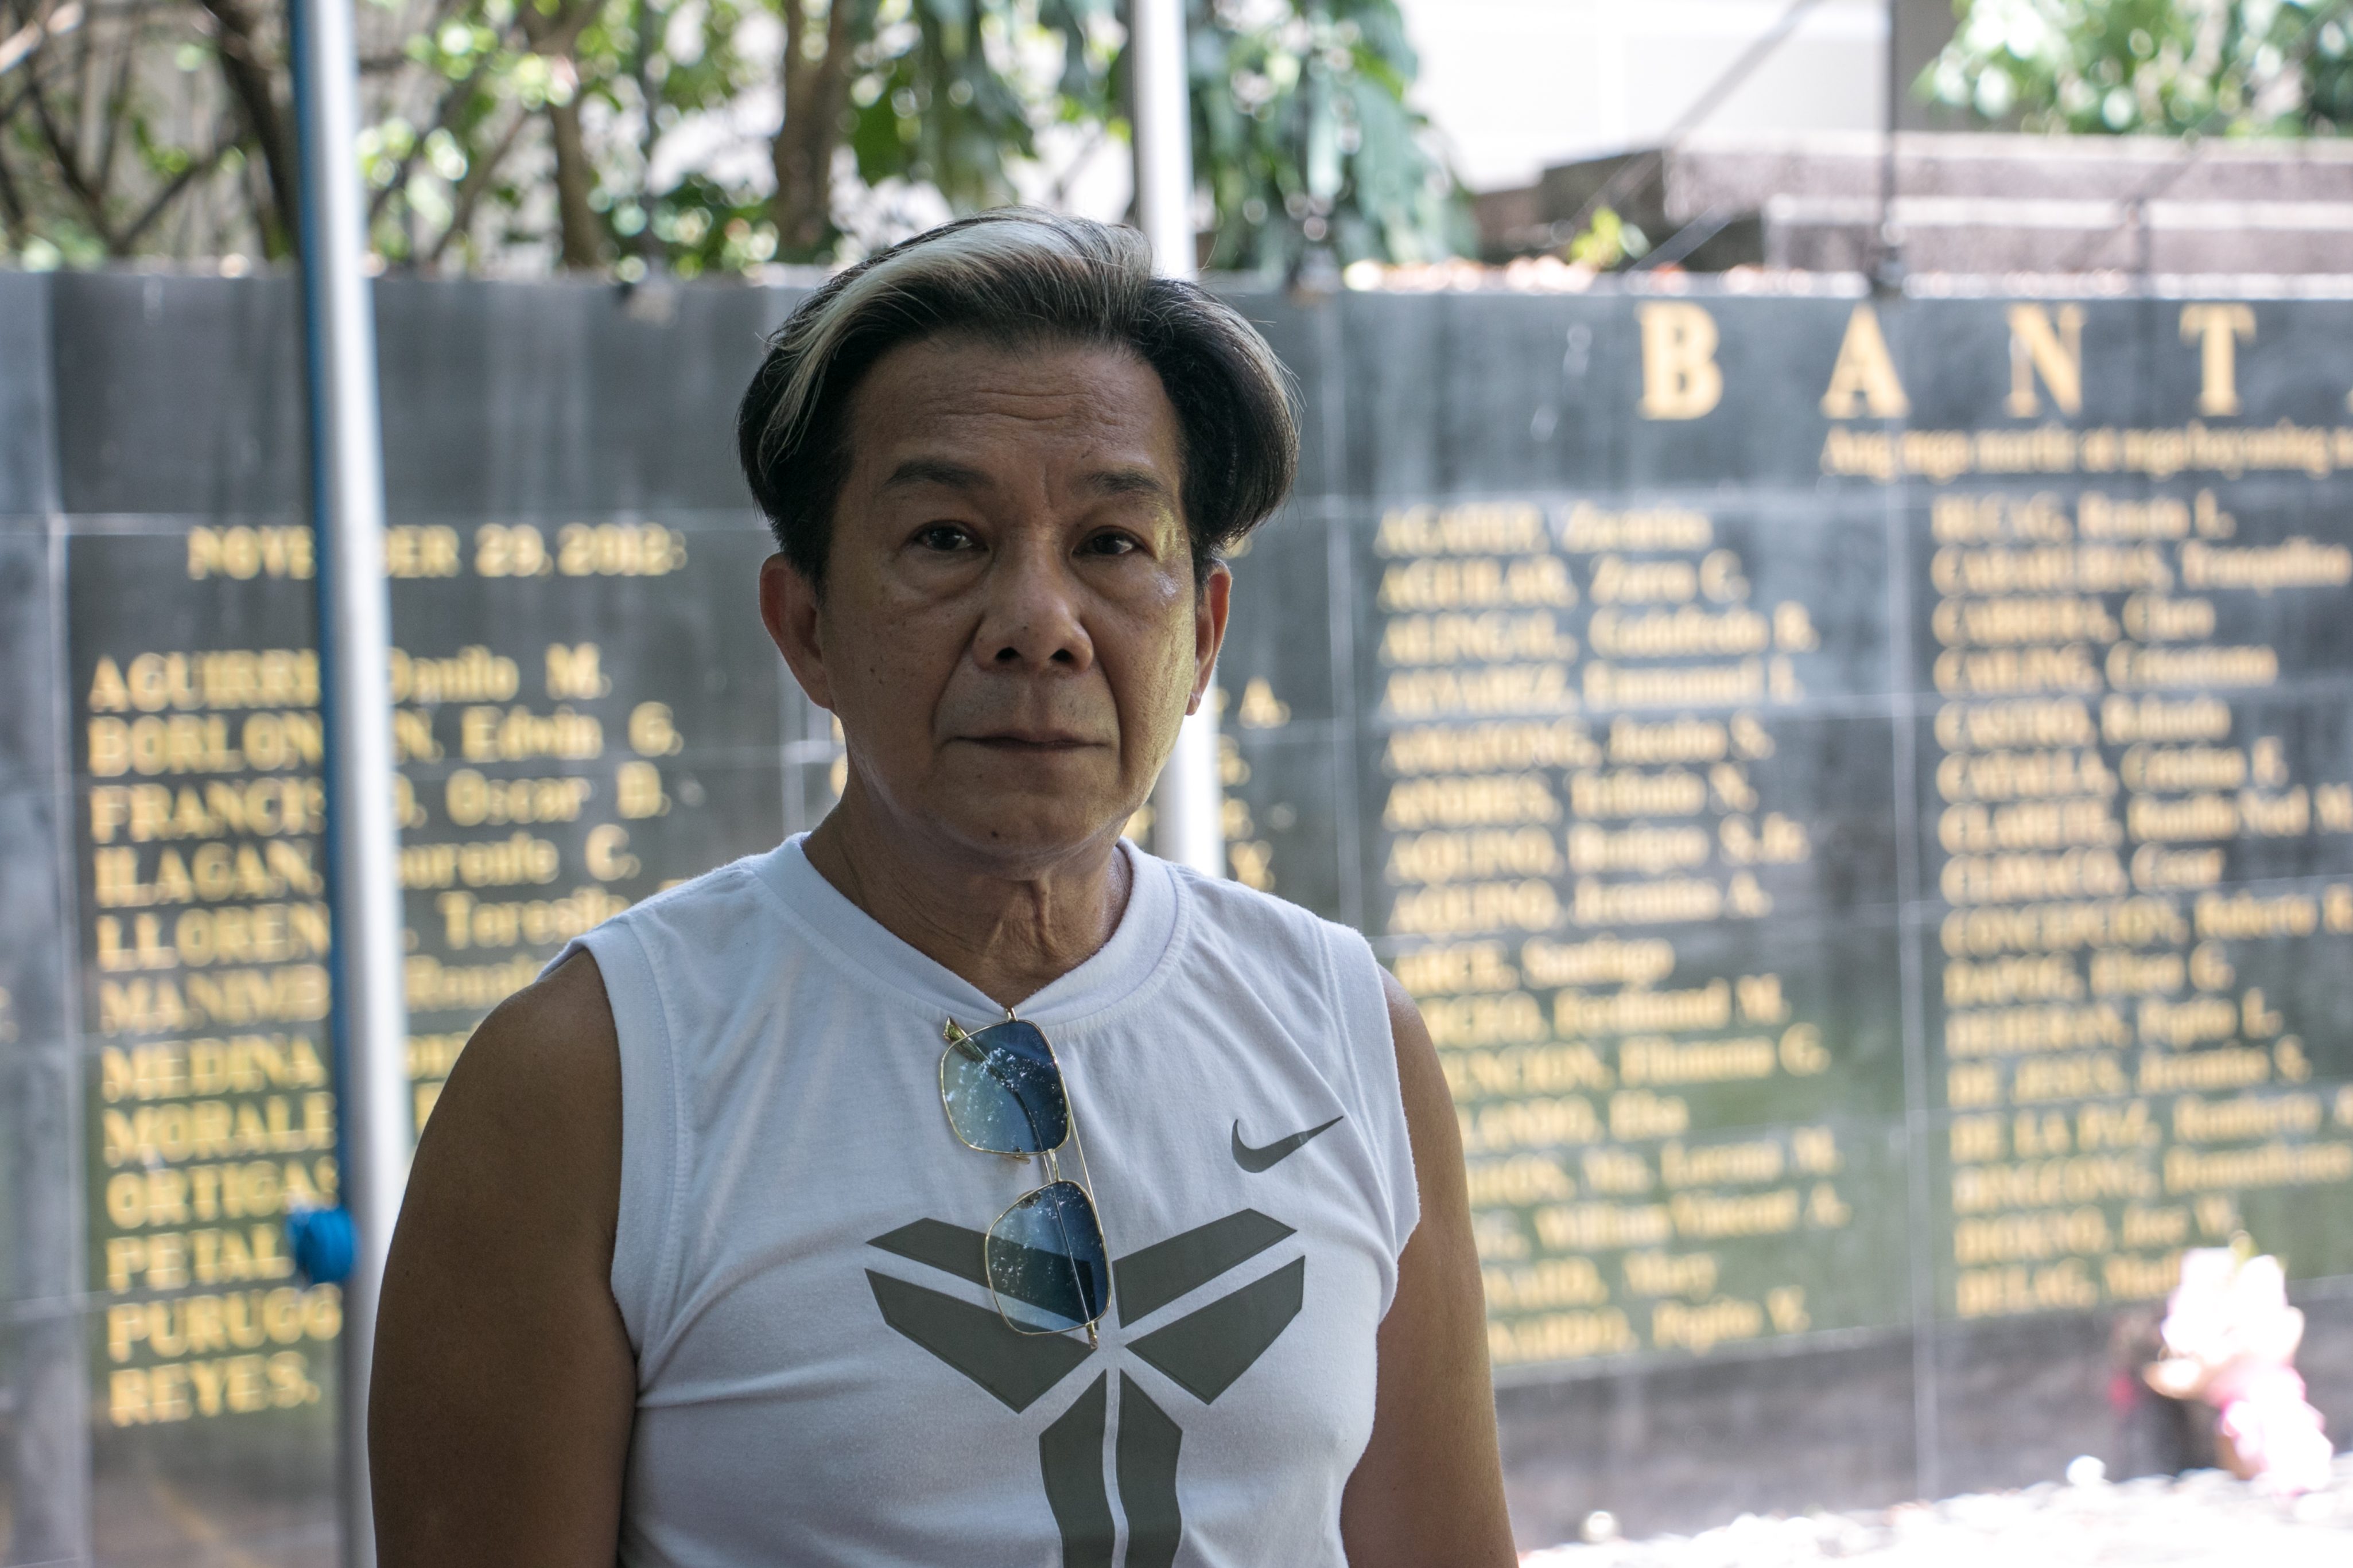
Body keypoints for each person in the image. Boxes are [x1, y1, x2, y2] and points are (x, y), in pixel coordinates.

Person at [370, 209, 1516, 1567]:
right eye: (947, 537)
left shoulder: (1345, 1031)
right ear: (806, 625)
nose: (1038, 621)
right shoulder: (596, 1078)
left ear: (1201, 634)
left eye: (1110, 542)